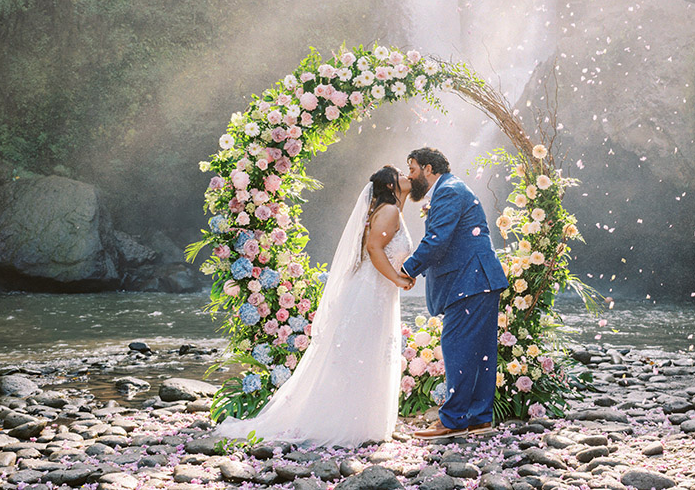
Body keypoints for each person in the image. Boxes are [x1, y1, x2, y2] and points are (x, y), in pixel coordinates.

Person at [213, 165, 415, 448]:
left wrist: (396, 275)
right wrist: (397, 278)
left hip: (374, 290)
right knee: (363, 353)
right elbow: (374, 249)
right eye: (402, 175)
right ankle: (350, 424)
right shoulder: (390, 212)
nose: (408, 177)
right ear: (392, 185)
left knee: (365, 352)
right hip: (371, 293)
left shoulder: (390, 209)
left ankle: (364, 422)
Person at [400, 147, 508, 440]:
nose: (410, 176)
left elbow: (437, 241)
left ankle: (454, 420)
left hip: (470, 281)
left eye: (412, 168)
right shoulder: (452, 188)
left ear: (429, 168)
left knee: (457, 346)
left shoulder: (447, 191)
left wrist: (407, 270)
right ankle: (479, 417)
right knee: (480, 351)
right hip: (479, 279)